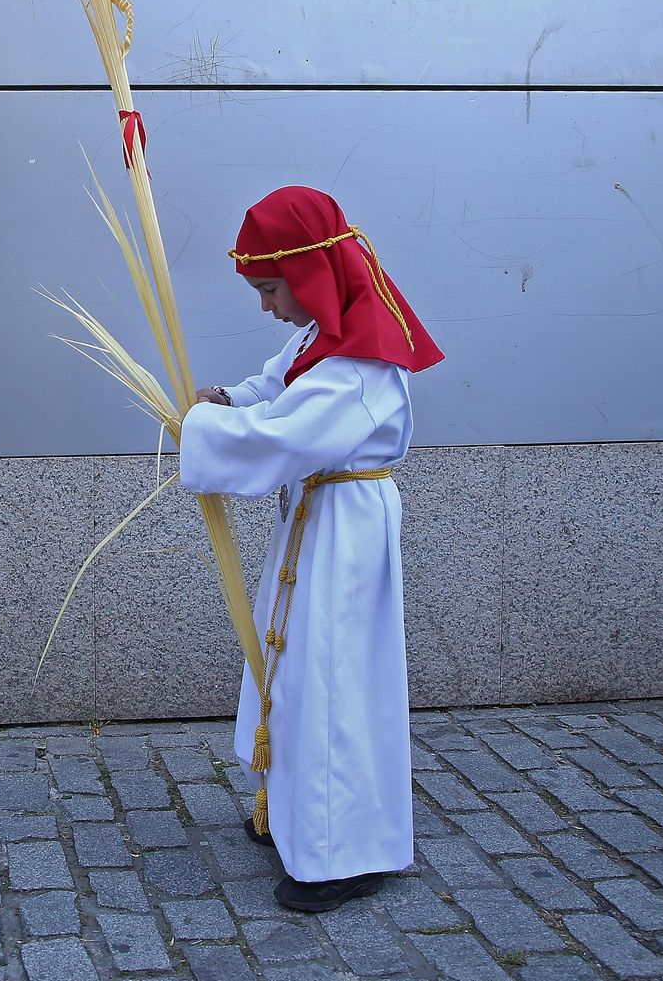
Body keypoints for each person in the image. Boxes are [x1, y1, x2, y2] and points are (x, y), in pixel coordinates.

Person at [180, 185, 444, 912]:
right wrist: (227, 399)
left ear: (310, 275)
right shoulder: (323, 336)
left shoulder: (362, 364)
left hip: (345, 530)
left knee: (331, 683)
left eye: (271, 288)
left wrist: (201, 432)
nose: (267, 305)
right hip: (318, 516)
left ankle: (342, 852)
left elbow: (287, 435)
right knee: (296, 670)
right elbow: (277, 386)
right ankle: (298, 814)